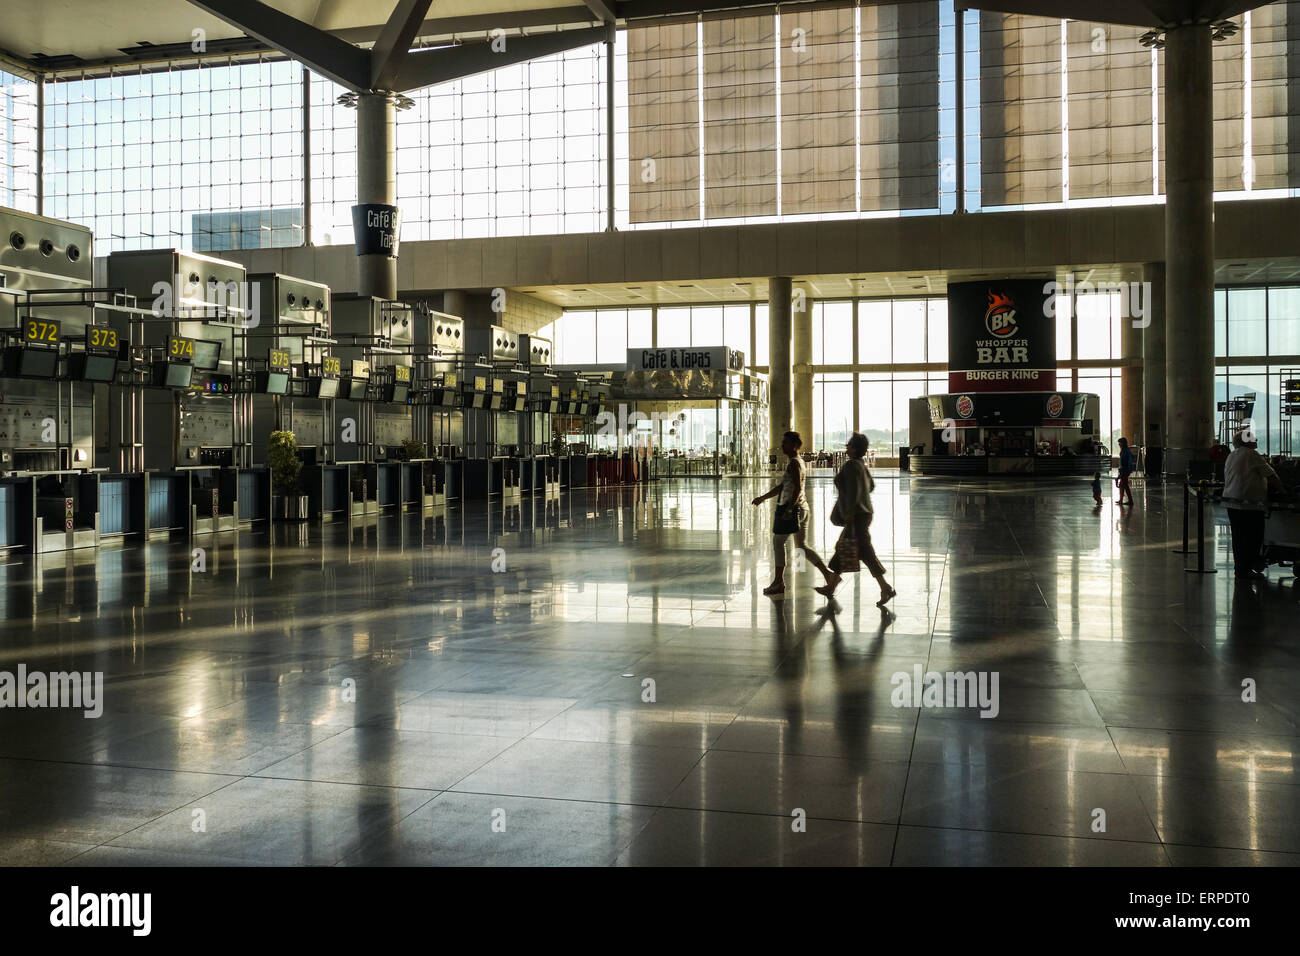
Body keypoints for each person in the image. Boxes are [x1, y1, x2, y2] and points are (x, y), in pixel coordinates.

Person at [751, 431, 837, 596]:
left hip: (793, 509)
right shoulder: (797, 462)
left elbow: (796, 487)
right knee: (801, 546)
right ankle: (828, 575)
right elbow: (782, 487)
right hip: (803, 508)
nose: (782, 445)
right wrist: (763, 497)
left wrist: (789, 509)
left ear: (795, 445)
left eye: (786, 443)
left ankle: (778, 582)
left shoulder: (794, 464)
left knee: (777, 542)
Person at [816, 433, 895, 607]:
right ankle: (832, 586)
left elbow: (853, 490)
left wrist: (850, 510)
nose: (847, 448)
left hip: (856, 515)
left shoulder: (852, 465)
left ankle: (885, 587)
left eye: (849, 445)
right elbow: (870, 486)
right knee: (847, 548)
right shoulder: (861, 465)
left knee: (863, 551)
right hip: (864, 513)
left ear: (856, 448)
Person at [1223, 430, 1283, 581]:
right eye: (1253, 438)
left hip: (1232, 502)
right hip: (1249, 504)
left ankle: (1241, 569)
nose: (1256, 439)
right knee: (1253, 537)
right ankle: (1248, 567)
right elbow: (1271, 475)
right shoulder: (1252, 454)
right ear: (1247, 441)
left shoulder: (1232, 455)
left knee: (1238, 537)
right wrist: (1283, 490)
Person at [1115, 437, 1135, 506]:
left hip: (1124, 470)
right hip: (1122, 470)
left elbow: (1129, 461)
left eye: (1120, 443)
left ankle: (1130, 501)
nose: (1119, 444)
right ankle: (1121, 500)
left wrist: (1128, 470)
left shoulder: (1126, 451)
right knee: (1122, 485)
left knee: (1124, 485)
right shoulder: (1124, 450)